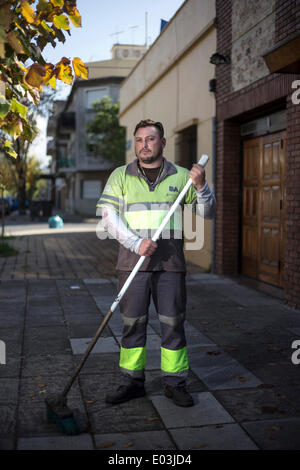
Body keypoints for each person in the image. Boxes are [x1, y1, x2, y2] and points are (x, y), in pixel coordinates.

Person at [96, 119, 216, 407]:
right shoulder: (120, 175)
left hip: (170, 265)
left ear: (162, 143)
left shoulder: (183, 176)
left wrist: (201, 186)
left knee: (173, 324)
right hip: (131, 264)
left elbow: (208, 212)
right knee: (132, 325)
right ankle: (131, 382)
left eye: (150, 139)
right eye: (139, 140)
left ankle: (175, 383)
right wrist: (136, 243)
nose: (144, 145)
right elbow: (108, 217)